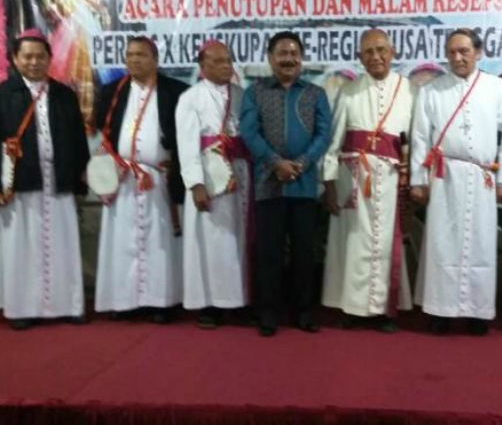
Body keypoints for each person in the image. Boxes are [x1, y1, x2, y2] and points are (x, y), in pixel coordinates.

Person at [410, 29, 502, 335]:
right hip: (445, 176)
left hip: (483, 177)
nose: (458, 57)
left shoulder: (498, 88)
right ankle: (440, 310)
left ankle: (477, 312)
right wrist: (418, 179)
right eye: (452, 52)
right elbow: (420, 138)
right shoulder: (432, 90)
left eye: (464, 51)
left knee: (481, 245)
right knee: (442, 244)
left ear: (478, 52)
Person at [321, 29, 415, 332]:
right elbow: (334, 141)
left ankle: (385, 309)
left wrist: (412, 175)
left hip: (391, 179)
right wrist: (329, 184)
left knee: (386, 242)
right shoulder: (349, 91)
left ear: (393, 52)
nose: (375, 57)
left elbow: (415, 141)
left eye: (381, 50)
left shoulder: (411, 90)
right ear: (359, 58)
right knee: (354, 242)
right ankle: (352, 307)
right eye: (368, 52)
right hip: (353, 178)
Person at [240, 31, 332, 337]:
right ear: (270, 58)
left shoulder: (316, 94)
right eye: (282, 53)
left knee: (305, 252)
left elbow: (323, 135)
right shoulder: (255, 93)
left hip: (304, 185)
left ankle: (303, 312)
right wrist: (275, 163)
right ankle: (268, 312)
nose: (288, 59)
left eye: (294, 53)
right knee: (269, 252)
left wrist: (301, 164)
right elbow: (249, 133)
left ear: (301, 58)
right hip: (269, 183)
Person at [93, 36, 188, 323]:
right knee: (122, 242)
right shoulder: (112, 91)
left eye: (141, 55)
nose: (134, 60)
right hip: (122, 178)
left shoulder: (176, 90)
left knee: (160, 243)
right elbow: (103, 132)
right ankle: (124, 302)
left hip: (159, 178)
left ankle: (162, 302)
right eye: (130, 54)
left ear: (155, 60)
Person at [0, 29, 90, 330]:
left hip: (57, 181)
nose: (34, 62)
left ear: (50, 58)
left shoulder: (64, 94)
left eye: (40, 56)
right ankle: (22, 308)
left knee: (63, 244)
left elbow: (78, 141)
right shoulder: (4, 94)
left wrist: (78, 178)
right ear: (15, 59)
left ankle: (68, 305)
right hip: (20, 184)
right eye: (27, 56)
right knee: (22, 247)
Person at [176, 40, 251, 329]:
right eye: (218, 61)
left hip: (240, 175)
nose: (225, 66)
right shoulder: (190, 98)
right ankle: (211, 304)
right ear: (202, 66)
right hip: (209, 177)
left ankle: (239, 301)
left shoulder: (242, 95)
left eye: (228, 60)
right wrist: (196, 184)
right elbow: (187, 145)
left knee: (239, 240)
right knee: (211, 241)